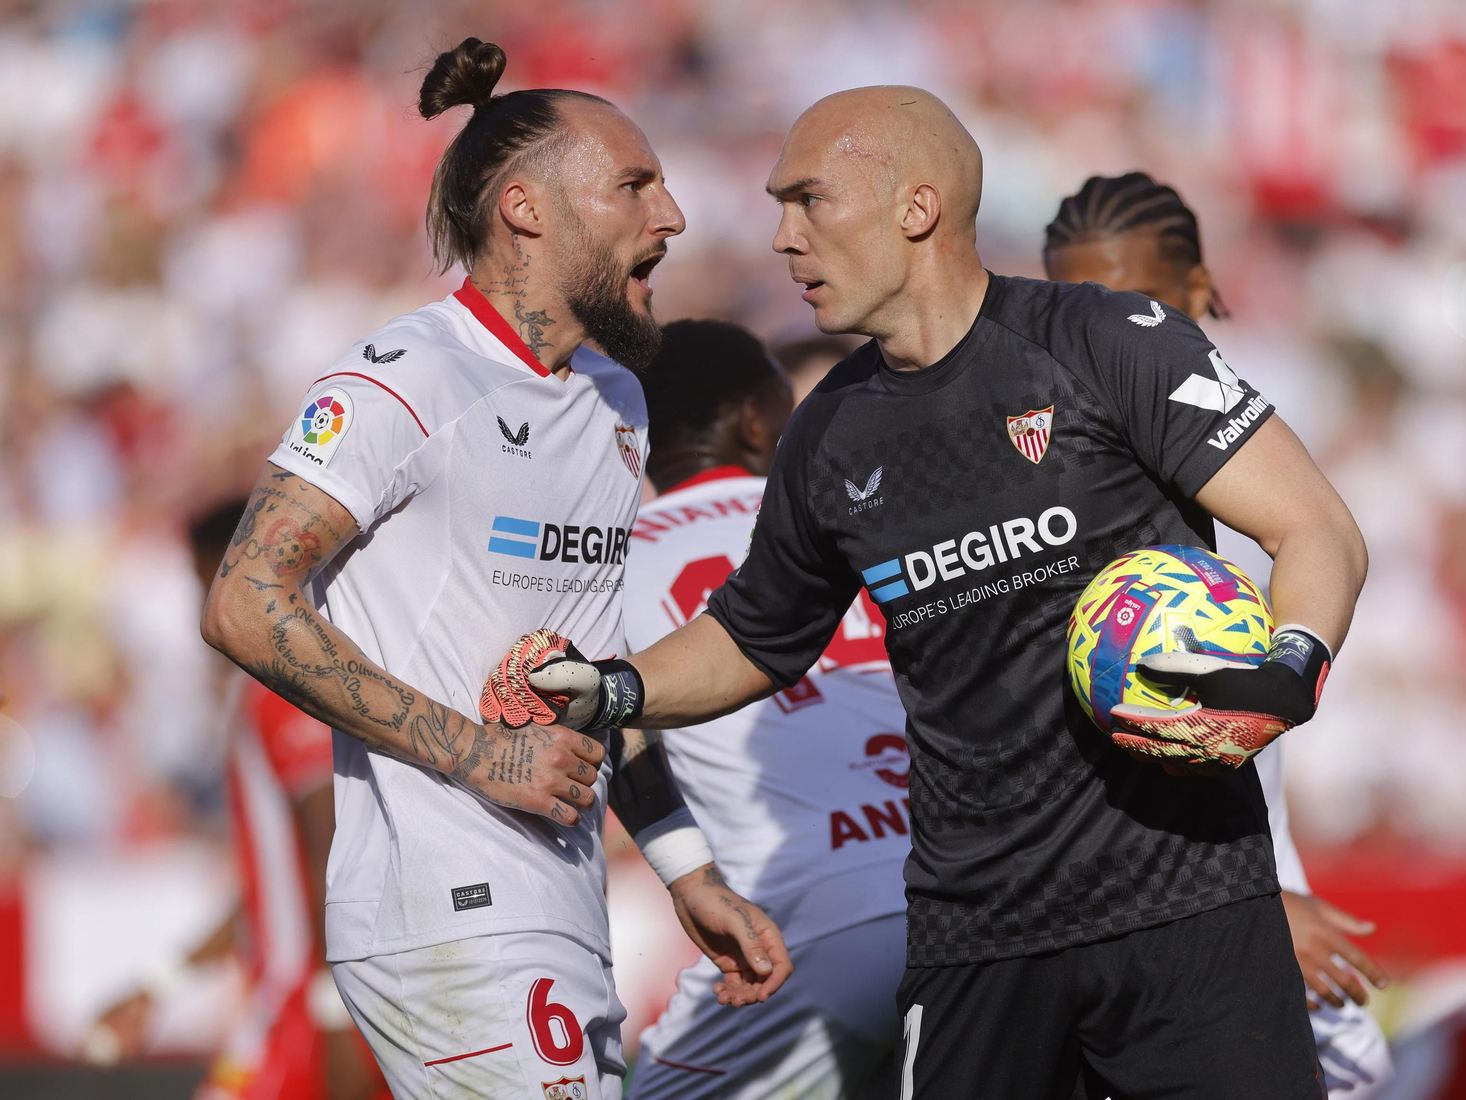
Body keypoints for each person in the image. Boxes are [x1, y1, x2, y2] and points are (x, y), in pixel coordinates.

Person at [486, 86, 1370, 1099]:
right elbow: (754, 635)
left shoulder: (1105, 341)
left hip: (1187, 908)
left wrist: (1288, 664)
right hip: (976, 935)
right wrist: (612, 688)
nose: (782, 237)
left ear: (914, 208)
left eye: (810, 200)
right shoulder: (831, 432)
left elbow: (1313, 526)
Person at [200, 37, 789, 1100]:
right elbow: (245, 599)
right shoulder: (408, 375)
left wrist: (685, 869)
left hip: (558, 902)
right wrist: (478, 752)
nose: (673, 216)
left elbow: (601, 675)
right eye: (633, 185)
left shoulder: (619, 402)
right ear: (526, 209)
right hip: (446, 907)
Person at [1043, 172, 1394, 1098]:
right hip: (1150, 928)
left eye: (1139, 302)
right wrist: (1260, 908)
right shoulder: (1041, 497)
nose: (1109, 333)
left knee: (1360, 1069)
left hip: (1243, 899)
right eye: (1076, 305)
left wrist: (1271, 891)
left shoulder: (1253, 472)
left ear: (1199, 294)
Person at [624, 320, 907, 1099]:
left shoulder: (613, 558)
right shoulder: (862, 520)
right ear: (756, 418)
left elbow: (604, 720)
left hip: (799, 929)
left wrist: (683, 871)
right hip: (969, 899)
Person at [88, 499, 388, 1100]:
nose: (195, 603)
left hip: (304, 1020)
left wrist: (332, 1014)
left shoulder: (280, 688)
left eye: (199, 578)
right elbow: (274, 888)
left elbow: (330, 856)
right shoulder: (272, 687)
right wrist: (160, 984)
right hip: (301, 1009)